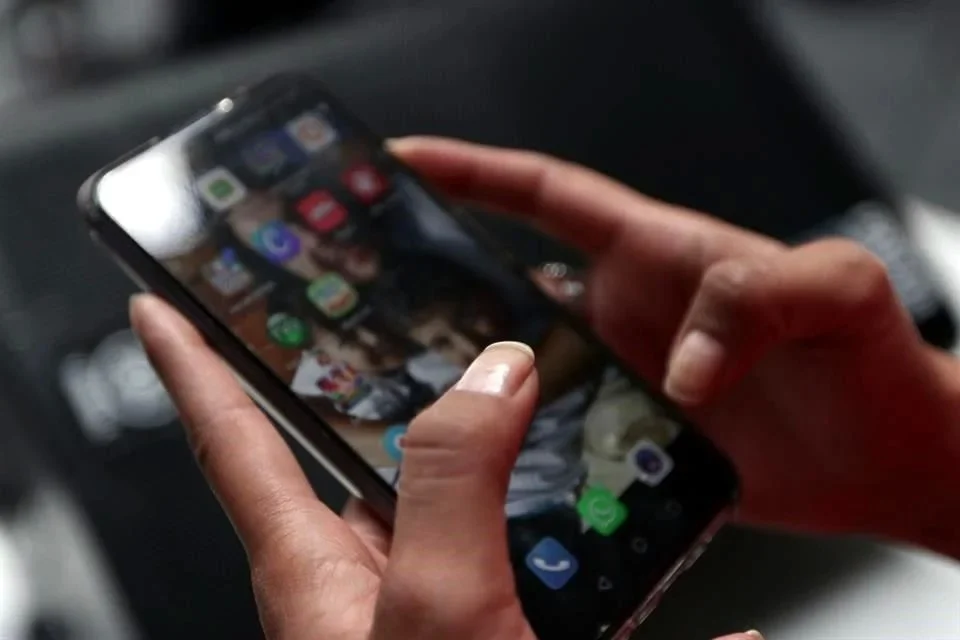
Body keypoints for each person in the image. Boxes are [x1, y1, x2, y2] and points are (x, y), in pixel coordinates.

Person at [128, 136, 960, 640]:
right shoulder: (345, 339)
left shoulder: (435, 269)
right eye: (280, 244)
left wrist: (930, 463)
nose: (319, 253)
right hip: (537, 515)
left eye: (302, 219)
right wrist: (929, 466)